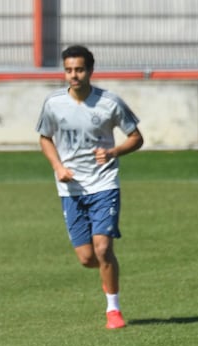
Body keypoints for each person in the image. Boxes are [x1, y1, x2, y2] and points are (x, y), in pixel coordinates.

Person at [36, 45, 143, 329]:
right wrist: (58, 167)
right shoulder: (53, 103)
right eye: (69, 70)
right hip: (71, 189)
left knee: (103, 248)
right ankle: (109, 270)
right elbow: (45, 138)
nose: (74, 75)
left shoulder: (110, 103)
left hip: (104, 184)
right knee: (87, 258)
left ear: (91, 71)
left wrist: (113, 152)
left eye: (79, 70)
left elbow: (136, 137)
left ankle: (113, 310)